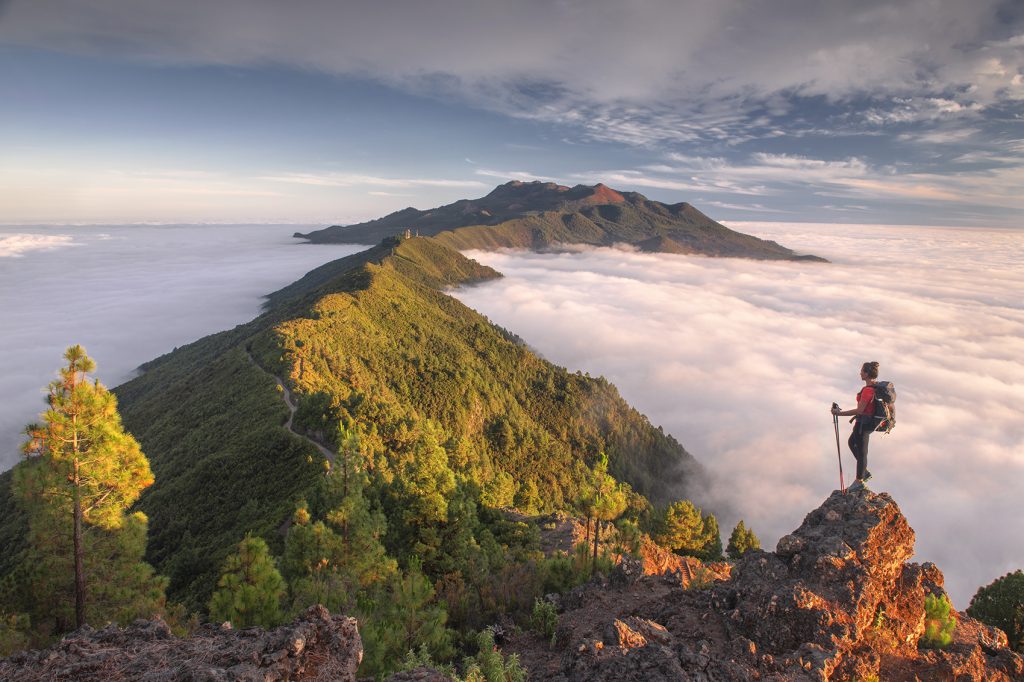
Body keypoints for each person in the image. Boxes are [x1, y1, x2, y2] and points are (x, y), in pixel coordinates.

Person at [831, 361, 879, 488]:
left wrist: (838, 414)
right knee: (852, 443)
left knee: (862, 452)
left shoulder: (868, 391)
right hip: (867, 423)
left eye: (862, 371)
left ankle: (859, 481)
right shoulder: (875, 386)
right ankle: (864, 472)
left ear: (867, 374)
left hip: (863, 424)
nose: (860, 373)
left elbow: (860, 411)